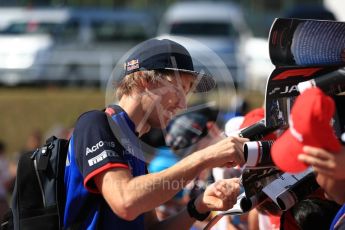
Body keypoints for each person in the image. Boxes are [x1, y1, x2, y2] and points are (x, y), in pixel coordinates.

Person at [63, 38, 248, 229]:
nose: (184, 104)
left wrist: (198, 206)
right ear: (145, 81)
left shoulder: (133, 144)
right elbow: (125, 202)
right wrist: (204, 157)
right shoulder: (96, 123)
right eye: (179, 89)